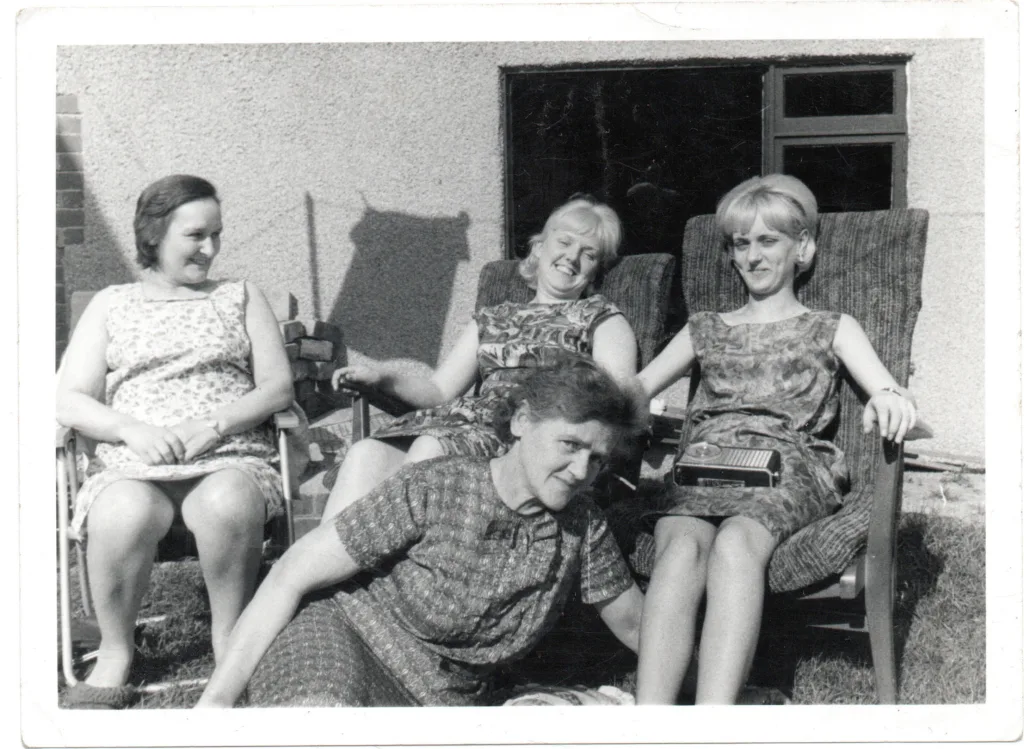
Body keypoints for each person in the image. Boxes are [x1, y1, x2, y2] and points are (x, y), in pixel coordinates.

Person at [196, 358, 647, 707]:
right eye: (570, 445)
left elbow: (636, 625)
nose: (581, 471)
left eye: (598, 459)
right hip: (344, 644)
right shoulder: (436, 484)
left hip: (442, 703)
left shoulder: (582, 526)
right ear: (522, 422)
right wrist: (216, 702)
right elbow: (290, 573)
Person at [632, 174, 919, 705]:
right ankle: (650, 724)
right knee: (678, 550)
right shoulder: (704, 327)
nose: (754, 257)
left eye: (769, 241)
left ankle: (712, 725)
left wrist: (886, 397)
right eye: (743, 244)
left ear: (802, 248)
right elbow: (638, 388)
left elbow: (884, 385)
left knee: (739, 541)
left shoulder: (831, 326)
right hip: (705, 462)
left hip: (789, 465)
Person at [56, 175, 294, 708]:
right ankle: (117, 653)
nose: (209, 249)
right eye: (195, 236)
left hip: (229, 455)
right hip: (133, 463)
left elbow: (278, 386)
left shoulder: (240, 296)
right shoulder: (111, 304)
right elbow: (70, 399)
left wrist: (214, 425)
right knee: (121, 512)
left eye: (216, 235)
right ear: (153, 234)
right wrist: (130, 430)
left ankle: (229, 644)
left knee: (228, 501)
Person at [318, 194, 638, 521]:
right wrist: (383, 377)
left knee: (430, 448)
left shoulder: (602, 318)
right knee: (365, 454)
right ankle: (326, 567)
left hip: (523, 433)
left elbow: (616, 403)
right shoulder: (492, 317)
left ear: (597, 270)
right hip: (461, 425)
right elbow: (440, 392)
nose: (572, 257)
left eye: (588, 254)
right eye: (565, 242)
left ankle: (391, 555)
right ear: (540, 248)